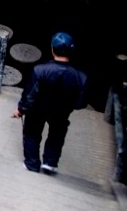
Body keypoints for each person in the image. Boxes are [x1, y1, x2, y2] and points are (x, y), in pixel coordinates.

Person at [11, 32, 87, 174]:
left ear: (52, 49)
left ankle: (32, 163)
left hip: (38, 109)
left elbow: (30, 95)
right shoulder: (81, 77)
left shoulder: (40, 70)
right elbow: (80, 103)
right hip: (61, 111)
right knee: (57, 135)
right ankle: (50, 162)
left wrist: (21, 110)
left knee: (32, 133)